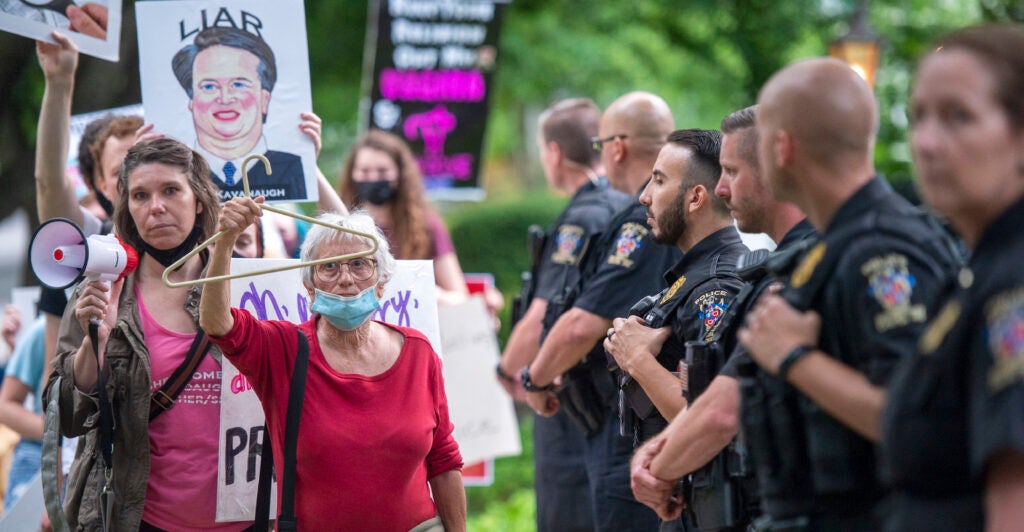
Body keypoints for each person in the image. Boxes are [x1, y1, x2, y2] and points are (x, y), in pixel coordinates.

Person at [735, 58, 960, 530]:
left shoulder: (882, 252)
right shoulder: (834, 247)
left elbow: (919, 420)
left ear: (782, 147)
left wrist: (793, 356)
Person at [200, 199, 466, 531]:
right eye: (329, 267)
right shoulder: (282, 350)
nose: (345, 279)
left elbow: (442, 459)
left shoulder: (418, 352)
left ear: (382, 282)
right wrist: (225, 241)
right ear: (308, 287)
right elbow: (217, 324)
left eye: (358, 264)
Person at [43, 138, 252, 531]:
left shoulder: (249, 284)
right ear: (128, 208)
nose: (156, 206)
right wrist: (96, 342)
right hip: (141, 519)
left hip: (249, 517)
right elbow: (67, 416)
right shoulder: (101, 290)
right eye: (140, 195)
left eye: (171, 190)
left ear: (200, 200)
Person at [626, 106, 813, 528]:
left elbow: (718, 413)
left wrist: (638, 361)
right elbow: (723, 393)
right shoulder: (767, 271)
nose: (722, 189)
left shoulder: (722, 283)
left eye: (731, 171)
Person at [877, 24, 1024, 530]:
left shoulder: (1013, 283)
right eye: (918, 116)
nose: (927, 142)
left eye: (958, 116)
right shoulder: (976, 272)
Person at [523, 91, 679, 530]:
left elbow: (582, 324)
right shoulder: (652, 211)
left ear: (617, 146)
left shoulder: (641, 220)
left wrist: (534, 377)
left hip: (624, 422)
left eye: (600, 145)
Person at [496, 98, 630, 531]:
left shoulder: (582, 217)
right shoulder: (621, 205)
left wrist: (506, 370)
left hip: (570, 397)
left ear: (554, 152)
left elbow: (544, 316)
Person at [172, 26, 306, 201]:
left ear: (265, 99)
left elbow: (338, 226)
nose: (225, 98)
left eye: (239, 84)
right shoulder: (172, 176)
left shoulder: (291, 167)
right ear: (191, 101)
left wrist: (309, 161)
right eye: (209, 86)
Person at [339, 130, 472, 305]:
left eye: (382, 171)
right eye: (365, 171)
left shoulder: (427, 225)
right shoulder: (340, 226)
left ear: (400, 174)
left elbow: (459, 296)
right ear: (352, 174)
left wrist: (425, 292)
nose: (373, 178)